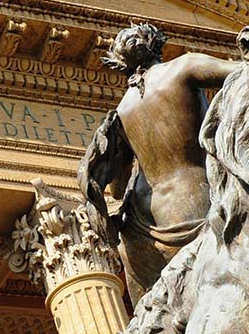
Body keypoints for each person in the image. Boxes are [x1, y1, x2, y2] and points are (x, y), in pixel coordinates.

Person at [79, 22, 240, 304]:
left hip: (144, 230)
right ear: (156, 42)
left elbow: (116, 190)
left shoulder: (120, 113)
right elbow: (247, 73)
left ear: (118, 61)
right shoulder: (183, 67)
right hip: (200, 201)